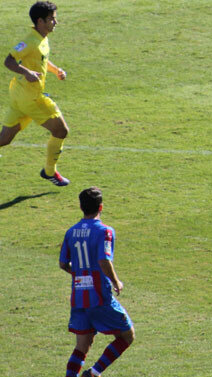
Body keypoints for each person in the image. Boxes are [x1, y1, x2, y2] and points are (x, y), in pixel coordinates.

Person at [59, 187, 135, 377]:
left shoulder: (71, 232)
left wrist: (79, 275)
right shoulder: (105, 231)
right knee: (127, 335)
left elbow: (63, 263)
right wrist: (116, 281)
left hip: (78, 298)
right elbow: (104, 260)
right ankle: (94, 372)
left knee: (82, 346)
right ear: (101, 207)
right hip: (100, 298)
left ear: (81, 207)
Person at [1, 1, 70, 186]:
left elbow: (41, 59)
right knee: (61, 130)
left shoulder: (41, 38)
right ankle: (49, 172)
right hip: (31, 99)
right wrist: (26, 72)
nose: (55, 22)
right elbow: (8, 61)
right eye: (51, 19)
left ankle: (49, 171)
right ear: (40, 21)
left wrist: (56, 71)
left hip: (19, 96)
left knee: (4, 139)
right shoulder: (30, 41)